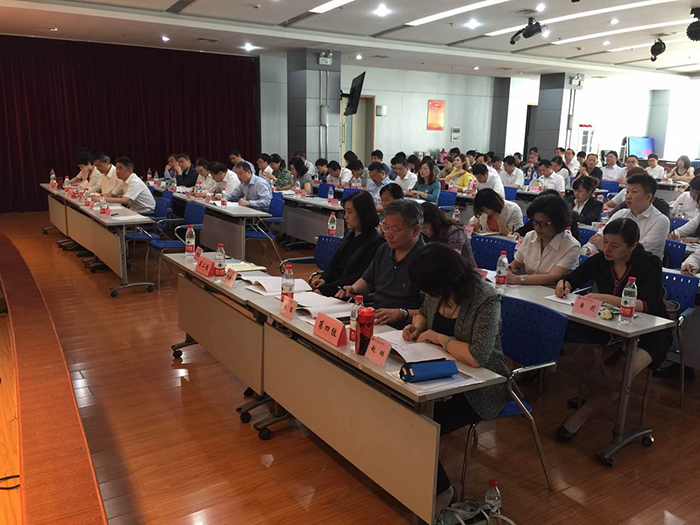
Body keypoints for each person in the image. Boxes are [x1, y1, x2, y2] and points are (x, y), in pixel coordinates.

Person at [402, 242, 512, 510]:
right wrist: (416, 328)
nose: (427, 294)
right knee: (398, 408)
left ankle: (444, 492)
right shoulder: (437, 291)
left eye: (428, 289)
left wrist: (439, 337)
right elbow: (424, 314)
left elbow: (477, 356)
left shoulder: (485, 298)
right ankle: (407, 477)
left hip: (480, 387)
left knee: (418, 426)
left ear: (445, 280)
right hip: (440, 373)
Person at [554, 218, 672, 442]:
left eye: (614, 245)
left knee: (621, 374)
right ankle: (598, 395)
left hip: (650, 330)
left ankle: (580, 416)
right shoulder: (601, 260)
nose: (607, 249)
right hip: (611, 326)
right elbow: (572, 278)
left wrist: (606, 299)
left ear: (632, 246)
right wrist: (565, 285)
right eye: (605, 242)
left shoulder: (649, 263)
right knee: (583, 357)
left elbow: (649, 304)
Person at [336, 199, 425, 326]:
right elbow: (368, 281)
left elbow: (431, 313)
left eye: (395, 230)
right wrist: (353, 289)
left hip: (404, 328)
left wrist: (402, 314)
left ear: (415, 230)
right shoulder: (385, 249)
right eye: (385, 228)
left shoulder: (427, 260)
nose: (388, 235)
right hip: (376, 320)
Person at [311, 191, 385, 296]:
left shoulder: (375, 242)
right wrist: (324, 279)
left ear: (363, 213)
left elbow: (359, 276)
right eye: (345, 211)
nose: (345, 216)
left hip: (349, 291)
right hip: (334, 286)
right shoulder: (349, 234)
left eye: (349, 212)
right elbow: (335, 264)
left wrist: (325, 289)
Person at [585, 174, 669, 260]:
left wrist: (604, 246)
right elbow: (597, 237)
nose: (628, 196)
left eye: (634, 192)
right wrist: (588, 249)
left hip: (643, 266)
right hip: (613, 263)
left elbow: (639, 252)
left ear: (648, 197)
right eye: (627, 192)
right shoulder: (621, 214)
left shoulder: (660, 221)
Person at [508, 195, 580, 285]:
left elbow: (553, 277)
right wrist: (509, 270)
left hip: (551, 291)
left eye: (543, 224)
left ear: (558, 223)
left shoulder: (571, 246)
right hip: (527, 289)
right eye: (535, 222)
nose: (537, 228)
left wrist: (517, 279)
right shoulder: (530, 236)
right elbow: (515, 264)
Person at [421, 202, 476, 266]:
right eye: (420, 228)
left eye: (425, 227)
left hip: (463, 270)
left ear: (435, 223)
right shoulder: (425, 235)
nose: (423, 231)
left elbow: (452, 260)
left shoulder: (455, 232)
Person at [668, 177, 700, 242]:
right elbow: (692, 225)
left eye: (697, 192)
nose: (693, 195)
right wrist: (676, 234)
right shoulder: (685, 196)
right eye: (691, 190)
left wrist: (697, 240)